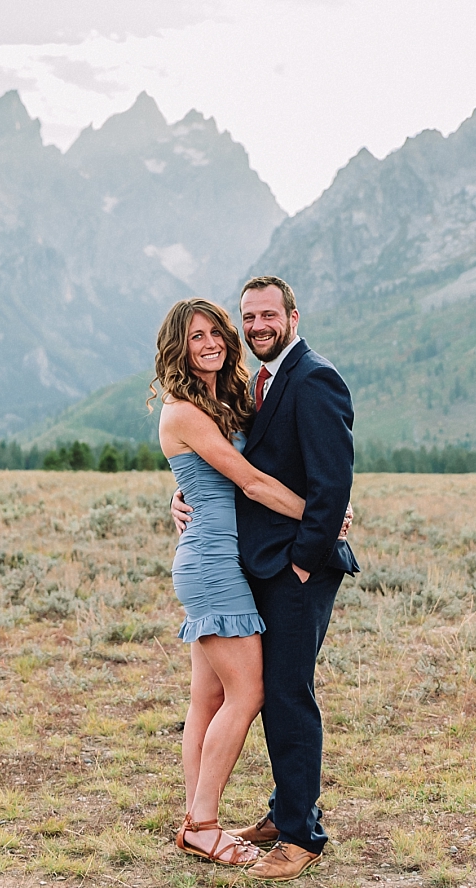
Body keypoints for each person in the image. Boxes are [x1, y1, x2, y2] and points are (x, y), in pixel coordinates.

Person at [172, 275, 358, 881]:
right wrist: (182, 493)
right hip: (250, 565)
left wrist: (313, 545)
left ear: (293, 316)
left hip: (295, 567)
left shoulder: (315, 378)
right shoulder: (255, 384)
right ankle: (276, 815)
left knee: (284, 695)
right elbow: (239, 469)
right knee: (252, 694)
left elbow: (331, 480)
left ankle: (300, 836)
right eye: (247, 318)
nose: (256, 327)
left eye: (267, 316)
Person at [153, 298, 305, 868]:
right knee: (250, 692)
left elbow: (205, 480)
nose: (211, 342)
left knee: (208, 698)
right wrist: (319, 515)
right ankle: (205, 825)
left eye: (216, 332)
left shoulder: (217, 399)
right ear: (179, 347)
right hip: (211, 565)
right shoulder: (185, 410)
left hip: (215, 559)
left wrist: (180, 495)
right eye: (196, 337)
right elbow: (249, 482)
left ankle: (197, 818)